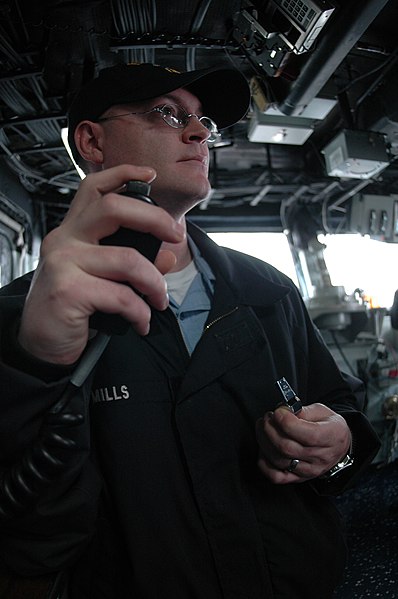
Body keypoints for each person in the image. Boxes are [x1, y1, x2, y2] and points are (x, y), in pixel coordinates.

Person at [0, 62, 380, 599]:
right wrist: (36, 364)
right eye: (167, 113)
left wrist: (336, 443)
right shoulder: (23, 318)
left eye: (203, 121)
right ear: (91, 140)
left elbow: (342, 411)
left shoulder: (267, 288)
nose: (200, 132)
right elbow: (27, 530)